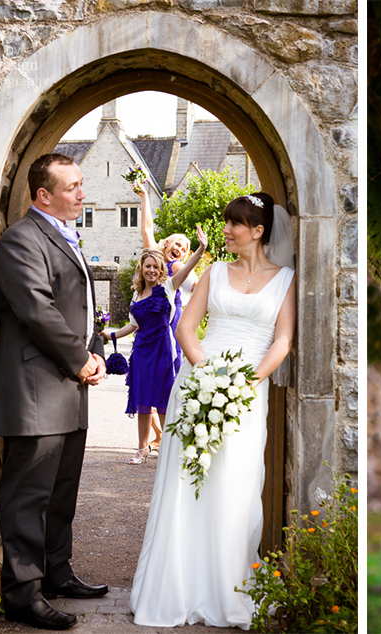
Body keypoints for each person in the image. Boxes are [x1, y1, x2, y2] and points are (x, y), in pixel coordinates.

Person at [130, 193, 296, 627]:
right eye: (225, 223)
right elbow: (185, 327)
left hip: (246, 392)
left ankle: (227, 588)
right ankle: (177, 587)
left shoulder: (286, 280)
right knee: (187, 484)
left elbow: (283, 339)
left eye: (233, 224)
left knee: (235, 484)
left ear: (258, 231)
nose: (225, 230)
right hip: (199, 384)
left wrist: (246, 381)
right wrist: (208, 375)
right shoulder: (214, 273)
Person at [0, 153, 110, 630]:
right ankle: (22, 595)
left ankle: (57, 574)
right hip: (35, 391)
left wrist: (96, 347)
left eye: (82, 185)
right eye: (73, 187)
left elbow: (81, 305)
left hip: (69, 388)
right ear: (43, 195)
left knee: (61, 494)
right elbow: (38, 310)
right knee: (28, 497)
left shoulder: (66, 236)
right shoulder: (20, 240)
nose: (82, 194)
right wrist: (81, 359)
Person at [102, 231, 207, 465]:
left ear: (160, 269)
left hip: (162, 351)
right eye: (147, 266)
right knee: (142, 402)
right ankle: (142, 449)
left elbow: (188, 267)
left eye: (155, 267)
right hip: (140, 352)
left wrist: (201, 249)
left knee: (163, 401)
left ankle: (169, 449)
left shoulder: (169, 287)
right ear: (142, 269)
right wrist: (111, 335)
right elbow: (133, 324)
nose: (151, 270)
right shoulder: (137, 294)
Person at [133, 180, 198, 448]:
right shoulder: (155, 261)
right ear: (166, 243)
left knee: (168, 382)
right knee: (149, 381)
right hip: (151, 323)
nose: (180, 249)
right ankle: (157, 436)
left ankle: (167, 436)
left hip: (173, 325)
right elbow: (147, 228)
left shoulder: (180, 269)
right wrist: (145, 195)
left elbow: (197, 286)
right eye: (177, 244)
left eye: (185, 248)